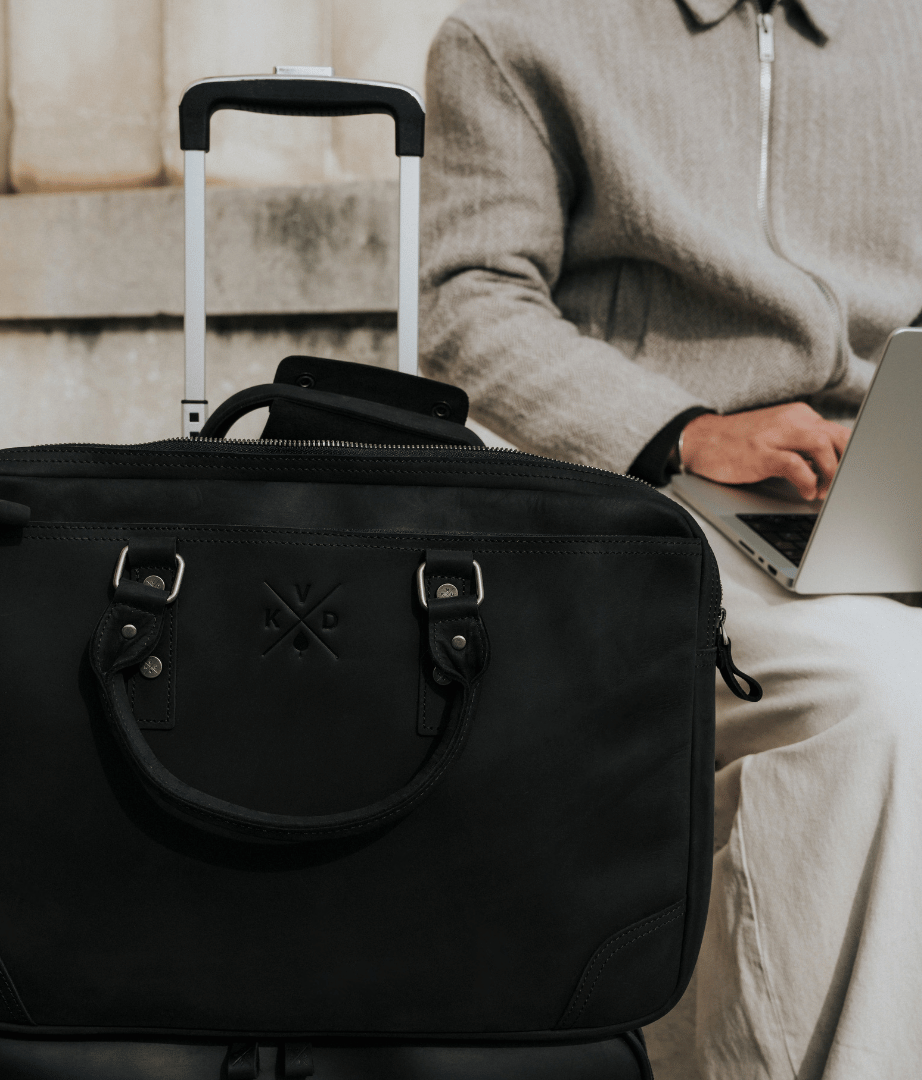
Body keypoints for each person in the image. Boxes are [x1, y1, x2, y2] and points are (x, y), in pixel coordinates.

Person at [419, 1, 922, 1076]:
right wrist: (680, 430)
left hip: (889, 483)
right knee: (875, 695)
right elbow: (470, 305)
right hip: (653, 501)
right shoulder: (515, 36)